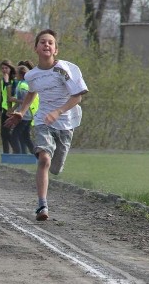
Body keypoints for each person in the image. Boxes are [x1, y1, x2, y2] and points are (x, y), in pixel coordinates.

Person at [6, 29, 89, 221]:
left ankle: (51, 172)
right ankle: (42, 205)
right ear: (36, 48)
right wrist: (21, 112)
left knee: (55, 168)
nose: (46, 45)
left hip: (66, 122)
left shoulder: (63, 70)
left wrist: (59, 111)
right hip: (43, 120)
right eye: (42, 42)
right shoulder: (32, 76)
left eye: (50, 43)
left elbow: (77, 97)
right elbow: (31, 93)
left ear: (56, 50)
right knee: (44, 159)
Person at [12, 62, 39, 154]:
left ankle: (17, 155)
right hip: (27, 114)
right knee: (26, 137)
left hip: (25, 115)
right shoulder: (22, 83)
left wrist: (13, 100)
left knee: (14, 135)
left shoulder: (23, 86)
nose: (15, 75)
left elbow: (25, 101)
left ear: (22, 74)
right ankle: (35, 155)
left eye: (17, 73)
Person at [0, 59, 20, 153]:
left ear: (11, 69)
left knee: (7, 133)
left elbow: (11, 95)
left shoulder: (14, 81)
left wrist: (7, 82)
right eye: (2, 68)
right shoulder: (2, 80)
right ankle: (6, 153)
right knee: (3, 134)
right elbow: (2, 95)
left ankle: (17, 151)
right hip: (4, 109)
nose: (4, 70)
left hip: (12, 110)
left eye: (6, 68)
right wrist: (0, 107)